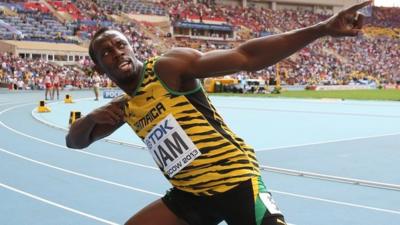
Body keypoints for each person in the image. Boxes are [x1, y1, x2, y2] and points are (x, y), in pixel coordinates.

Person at [66, 2, 371, 225]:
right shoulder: (124, 108)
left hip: (234, 180)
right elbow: (75, 142)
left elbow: (246, 58)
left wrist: (322, 29)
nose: (117, 52)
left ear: (132, 48)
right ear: (98, 66)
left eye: (121, 45)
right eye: (106, 51)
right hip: (191, 194)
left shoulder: (166, 69)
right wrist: (91, 119)